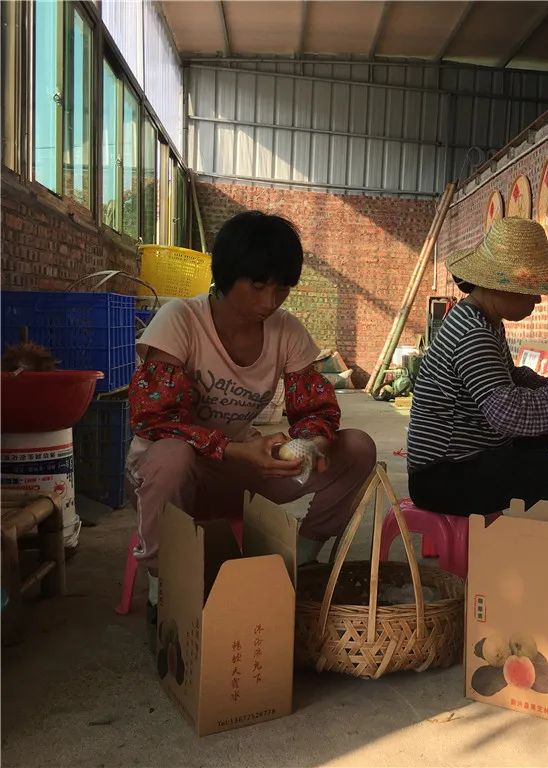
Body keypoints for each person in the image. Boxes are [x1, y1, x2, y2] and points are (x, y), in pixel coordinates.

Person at [126, 211, 376, 623]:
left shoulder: (287, 332)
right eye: (257, 285)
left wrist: (311, 442)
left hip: (241, 472)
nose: (268, 301)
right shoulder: (181, 320)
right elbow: (154, 419)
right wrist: (236, 449)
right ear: (226, 276)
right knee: (171, 454)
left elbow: (314, 408)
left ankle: (306, 560)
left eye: (281, 288)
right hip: (173, 475)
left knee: (357, 447)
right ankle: (162, 583)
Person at [406, 217, 548, 515]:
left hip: (462, 463)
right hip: (443, 475)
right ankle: (530, 546)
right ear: (502, 285)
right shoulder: (472, 333)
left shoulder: (484, 320)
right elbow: (507, 412)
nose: (538, 299)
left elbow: (509, 378)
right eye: (532, 289)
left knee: (537, 439)